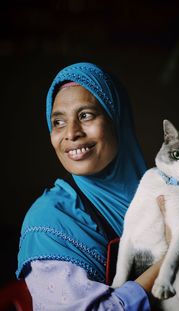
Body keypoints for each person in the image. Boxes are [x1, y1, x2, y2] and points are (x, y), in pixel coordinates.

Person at [16, 62, 164, 310]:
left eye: (85, 115)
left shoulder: (166, 193)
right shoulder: (50, 222)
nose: (71, 133)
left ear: (117, 120)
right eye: (58, 122)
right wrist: (171, 261)